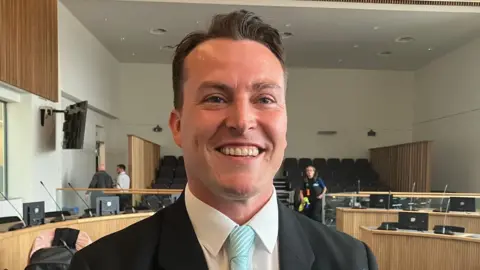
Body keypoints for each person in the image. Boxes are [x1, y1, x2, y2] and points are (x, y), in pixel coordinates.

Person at [69, 10, 377, 270]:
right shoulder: (99, 265)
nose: (242, 121)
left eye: (265, 99)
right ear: (177, 126)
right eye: (216, 98)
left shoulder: (353, 261)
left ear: (285, 125)